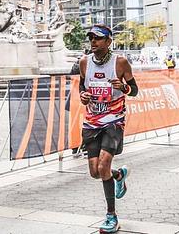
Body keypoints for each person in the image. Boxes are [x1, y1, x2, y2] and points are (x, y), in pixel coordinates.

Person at [78, 24, 139, 234]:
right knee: (96, 172)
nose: (93, 41)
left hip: (114, 120)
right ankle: (118, 175)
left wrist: (124, 87)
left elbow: (135, 91)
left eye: (98, 38)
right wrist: (83, 96)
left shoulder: (120, 62)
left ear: (108, 41)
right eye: (91, 38)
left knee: (103, 166)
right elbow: (82, 87)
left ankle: (111, 216)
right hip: (92, 121)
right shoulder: (84, 62)